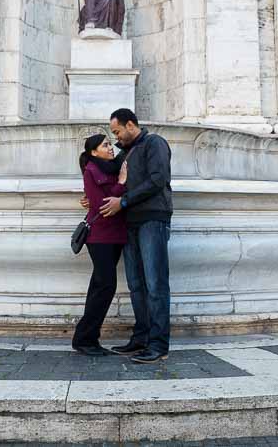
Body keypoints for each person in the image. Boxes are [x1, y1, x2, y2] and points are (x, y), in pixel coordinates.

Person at [99, 108, 173, 363]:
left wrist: (124, 201)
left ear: (131, 124)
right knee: (136, 285)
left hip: (153, 219)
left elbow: (157, 180)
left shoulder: (155, 143)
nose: (116, 137)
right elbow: (108, 176)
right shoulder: (125, 153)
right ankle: (141, 338)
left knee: (155, 284)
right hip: (129, 223)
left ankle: (159, 345)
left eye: (118, 131)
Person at [73, 133, 129, 356]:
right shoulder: (92, 170)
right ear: (93, 152)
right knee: (106, 286)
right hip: (100, 236)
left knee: (99, 285)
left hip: (115, 235)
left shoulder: (112, 168)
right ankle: (85, 338)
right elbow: (100, 205)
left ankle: (86, 338)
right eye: (105, 145)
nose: (110, 147)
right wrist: (121, 184)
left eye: (109, 144)